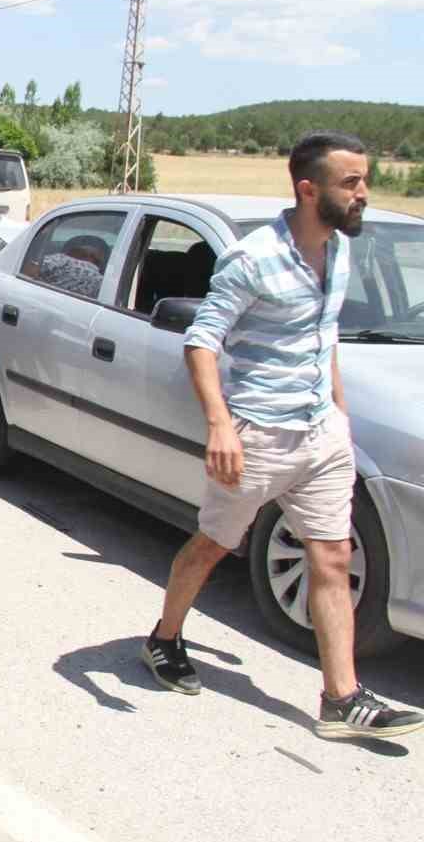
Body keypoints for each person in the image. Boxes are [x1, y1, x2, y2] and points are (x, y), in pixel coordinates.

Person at [146, 130, 422, 740]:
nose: (363, 194)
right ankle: (165, 638)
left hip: (321, 433)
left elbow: (322, 343)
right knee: (214, 544)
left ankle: (341, 698)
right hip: (259, 433)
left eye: (364, 181)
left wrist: (340, 419)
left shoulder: (344, 251)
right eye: (351, 183)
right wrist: (221, 426)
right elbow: (202, 341)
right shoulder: (252, 259)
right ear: (307, 188)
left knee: (333, 555)